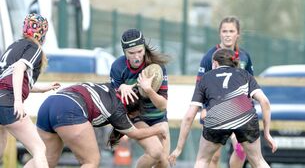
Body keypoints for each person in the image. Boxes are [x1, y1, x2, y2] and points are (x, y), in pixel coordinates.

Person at [168, 48, 277, 168]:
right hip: (244, 113)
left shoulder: (206, 78)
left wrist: (178, 149)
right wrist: (267, 134)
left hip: (217, 116)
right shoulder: (244, 74)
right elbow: (265, 102)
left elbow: (189, 116)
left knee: (202, 161)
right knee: (258, 161)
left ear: (214, 63)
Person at [36, 82, 167, 168]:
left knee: (47, 159)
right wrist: (158, 128)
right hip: (70, 108)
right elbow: (135, 133)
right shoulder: (118, 109)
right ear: (132, 112)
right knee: (91, 162)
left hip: (48, 104)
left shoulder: (113, 88)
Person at [0, 13, 60, 167]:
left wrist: (41, 89)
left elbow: (7, 79)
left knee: (2, 142)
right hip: (8, 103)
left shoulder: (14, 46)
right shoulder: (34, 48)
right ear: (43, 34)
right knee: (39, 149)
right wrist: (18, 101)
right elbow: (19, 68)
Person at [197, 16, 254, 168]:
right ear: (219, 33)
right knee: (214, 157)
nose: (228, 34)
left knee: (241, 149)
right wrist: (204, 109)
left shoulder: (244, 57)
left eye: (231, 31)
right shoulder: (210, 57)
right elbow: (200, 85)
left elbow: (250, 86)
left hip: (238, 109)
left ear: (238, 34)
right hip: (214, 110)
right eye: (224, 31)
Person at [110, 28, 170, 168]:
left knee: (164, 163)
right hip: (137, 117)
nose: (137, 56)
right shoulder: (118, 67)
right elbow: (113, 103)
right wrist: (120, 89)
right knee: (155, 152)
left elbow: (162, 105)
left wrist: (148, 89)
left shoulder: (157, 67)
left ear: (144, 48)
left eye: (140, 51)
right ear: (124, 52)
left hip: (159, 118)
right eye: (131, 53)